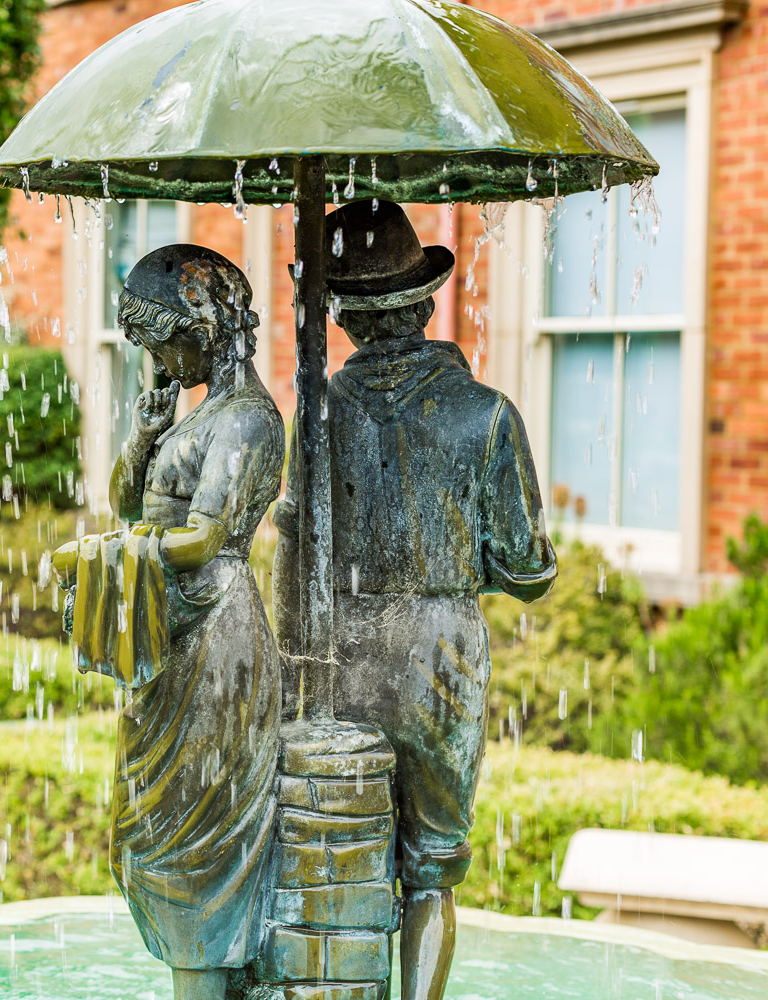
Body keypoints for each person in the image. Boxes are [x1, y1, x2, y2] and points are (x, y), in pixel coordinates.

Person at [273, 200, 557, 1000]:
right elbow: (529, 569)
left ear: (344, 320)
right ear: (426, 305)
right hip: (439, 652)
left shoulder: (317, 410)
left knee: (343, 846)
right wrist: (467, 558)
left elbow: (294, 545)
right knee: (432, 868)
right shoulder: (487, 414)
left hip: (340, 650)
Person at [51, 245, 284, 1000]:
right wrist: (145, 433)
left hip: (216, 636)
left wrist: (100, 555)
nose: (155, 359)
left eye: (161, 341)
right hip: (173, 628)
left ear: (204, 328)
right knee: (152, 831)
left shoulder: (247, 421)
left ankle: (209, 979)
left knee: (195, 843)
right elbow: (129, 504)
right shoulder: (199, 414)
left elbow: (203, 539)